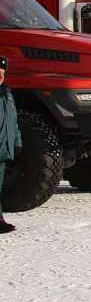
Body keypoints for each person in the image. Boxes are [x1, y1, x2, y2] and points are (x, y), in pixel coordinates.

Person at [0, 56, 22, 234]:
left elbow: (12, 121)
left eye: (2, 74)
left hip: (3, 149)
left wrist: (16, 142)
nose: (0, 77)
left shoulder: (6, 94)